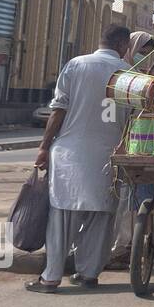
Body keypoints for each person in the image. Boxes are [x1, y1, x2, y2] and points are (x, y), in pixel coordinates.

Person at [26, 25, 132, 292]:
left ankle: (51, 278)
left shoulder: (76, 65)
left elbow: (58, 109)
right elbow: (134, 119)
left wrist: (43, 146)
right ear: (121, 44)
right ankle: (88, 274)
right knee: (102, 216)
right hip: (110, 155)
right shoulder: (131, 74)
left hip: (71, 154)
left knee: (62, 217)